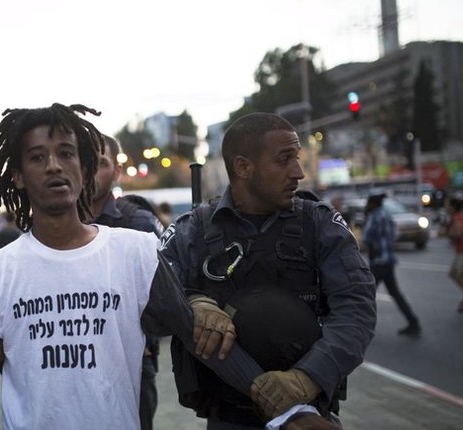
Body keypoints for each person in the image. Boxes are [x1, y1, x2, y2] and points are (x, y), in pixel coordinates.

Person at [0, 104, 336, 430]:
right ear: (19, 176)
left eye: (66, 153)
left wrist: (290, 409)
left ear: (83, 168)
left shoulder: (135, 252)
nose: (55, 165)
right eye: (38, 157)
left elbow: (198, 338)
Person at [160, 112, 377, 429]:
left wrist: (306, 378)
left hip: (310, 416)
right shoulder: (190, 231)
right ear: (243, 167)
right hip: (230, 417)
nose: (299, 173)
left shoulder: (318, 224)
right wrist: (194, 303)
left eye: (297, 158)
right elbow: (156, 299)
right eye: (284, 160)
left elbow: (356, 308)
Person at [90, 134, 164, 430]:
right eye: (83, 161)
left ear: (117, 171)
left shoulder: (140, 225)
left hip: (130, 363)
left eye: (100, 163)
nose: (90, 171)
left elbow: (167, 298)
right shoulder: (51, 227)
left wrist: (145, 336)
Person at [361, 192, 421, 335]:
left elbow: (367, 237)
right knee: (395, 293)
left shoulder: (375, 216)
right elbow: (395, 234)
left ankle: (358, 327)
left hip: (378, 262)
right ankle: (413, 321)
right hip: (388, 260)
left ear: (373, 204)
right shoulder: (387, 215)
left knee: (365, 294)